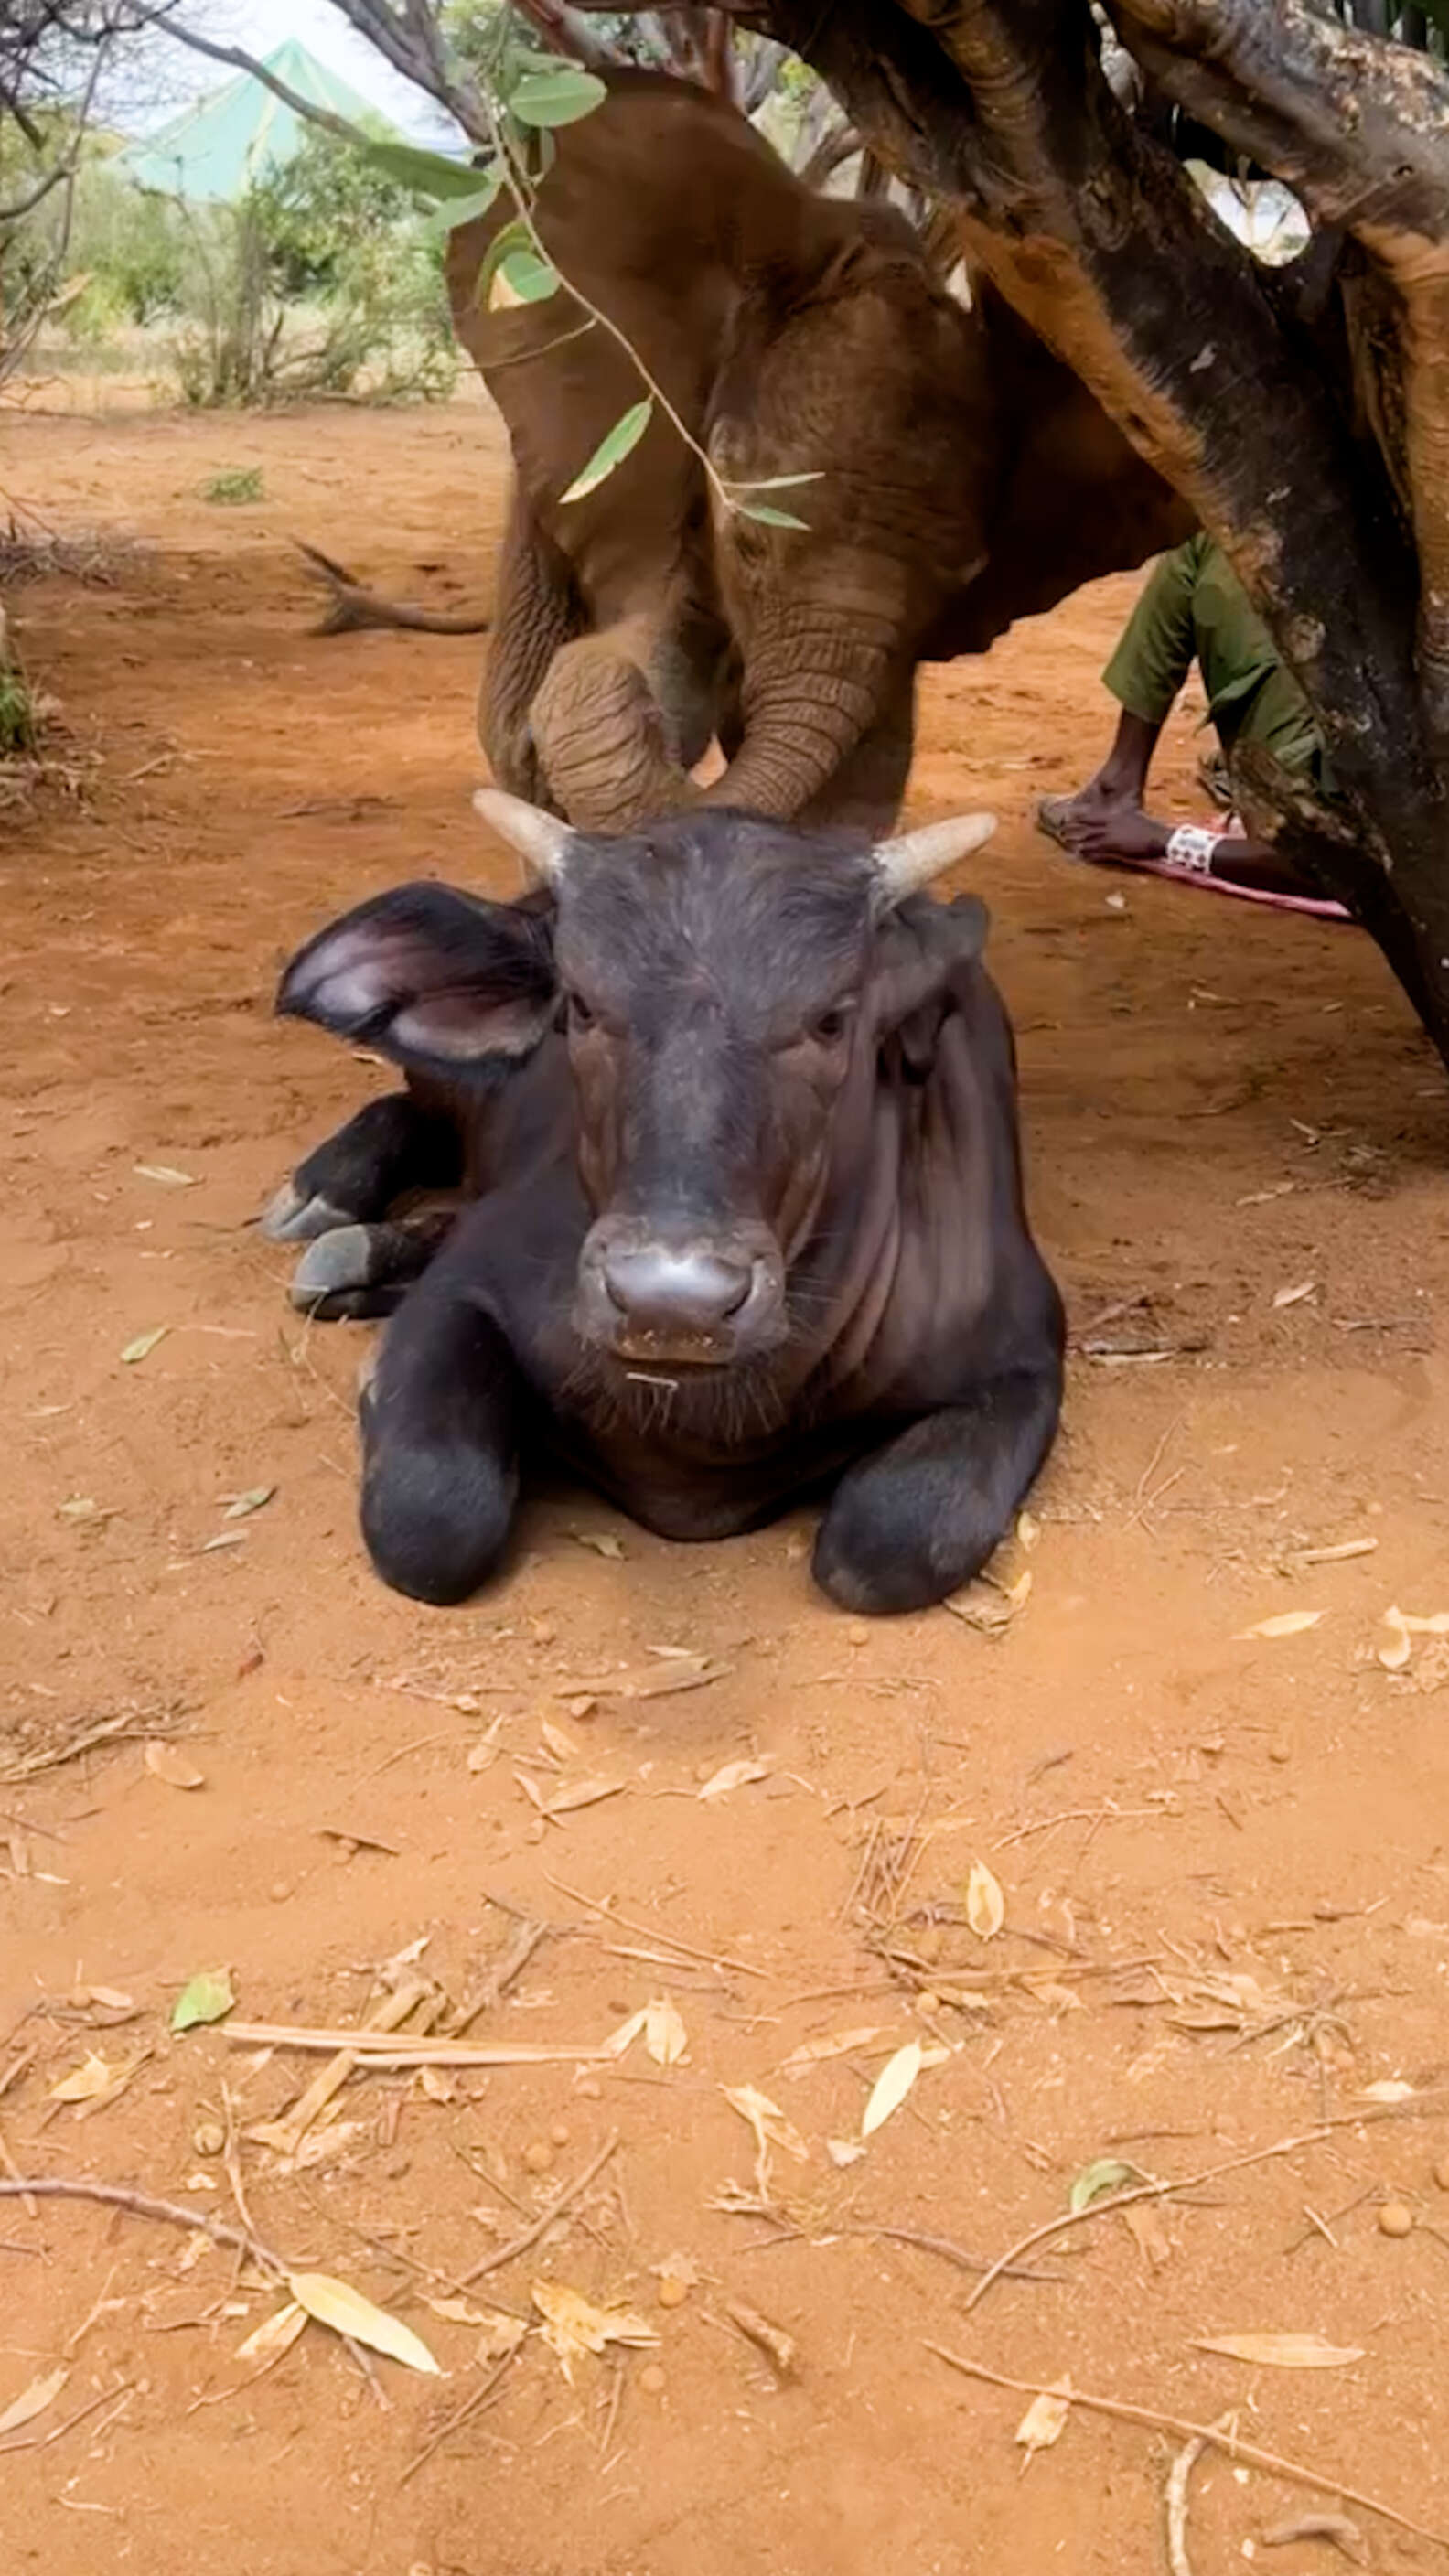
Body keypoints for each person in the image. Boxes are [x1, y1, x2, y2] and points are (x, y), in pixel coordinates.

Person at [1037, 532, 1349, 920]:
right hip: (1343, 698)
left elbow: (1336, 867)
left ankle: (1119, 791)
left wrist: (1167, 842)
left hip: (1321, 797)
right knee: (1210, 541)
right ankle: (1117, 783)